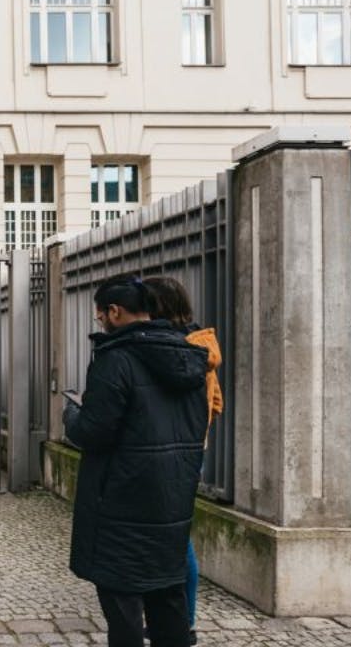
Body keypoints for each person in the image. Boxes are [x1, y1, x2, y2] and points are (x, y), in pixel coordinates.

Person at [64, 276, 210, 647]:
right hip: (172, 497)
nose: (101, 323)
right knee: (167, 596)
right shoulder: (190, 355)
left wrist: (72, 415)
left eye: (100, 317)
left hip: (121, 500)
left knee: (122, 601)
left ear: (114, 312)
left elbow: (94, 432)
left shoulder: (116, 360)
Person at [144, 276, 224, 647]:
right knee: (177, 536)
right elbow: (216, 404)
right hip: (194, 450)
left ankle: (181, 620)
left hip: (175, 452)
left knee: (175, 539)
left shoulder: (171, 349)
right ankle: (179, 619)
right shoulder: (200, 345)